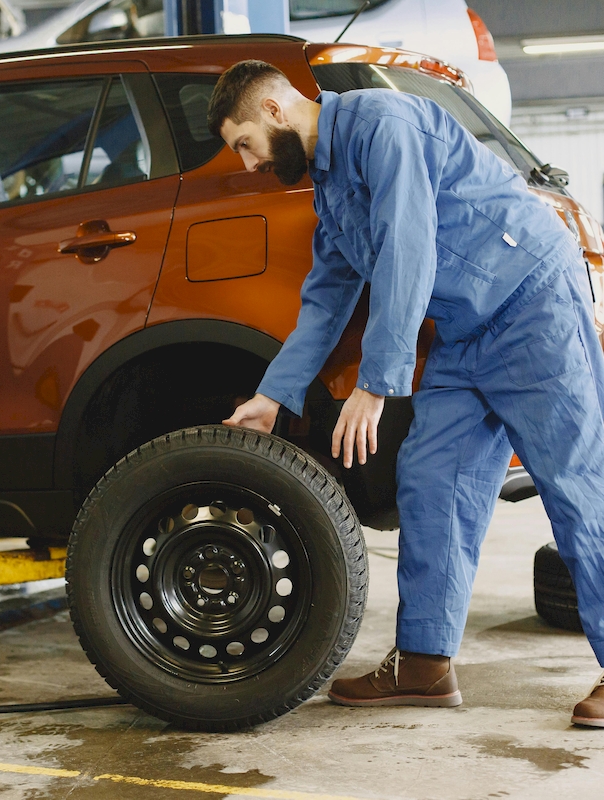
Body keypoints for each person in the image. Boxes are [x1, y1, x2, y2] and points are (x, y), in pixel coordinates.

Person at [207, 59, 604, 727]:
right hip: (464, 333)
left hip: (530, 304)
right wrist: (274, 395)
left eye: (243, 142)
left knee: (576, 480)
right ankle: (424, 664)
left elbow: (408, 247)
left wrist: (377, 383)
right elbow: (329, 295)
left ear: (275, 109)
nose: (246, 163)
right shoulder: (330, 187)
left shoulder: (381, 125)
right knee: (431, 478)